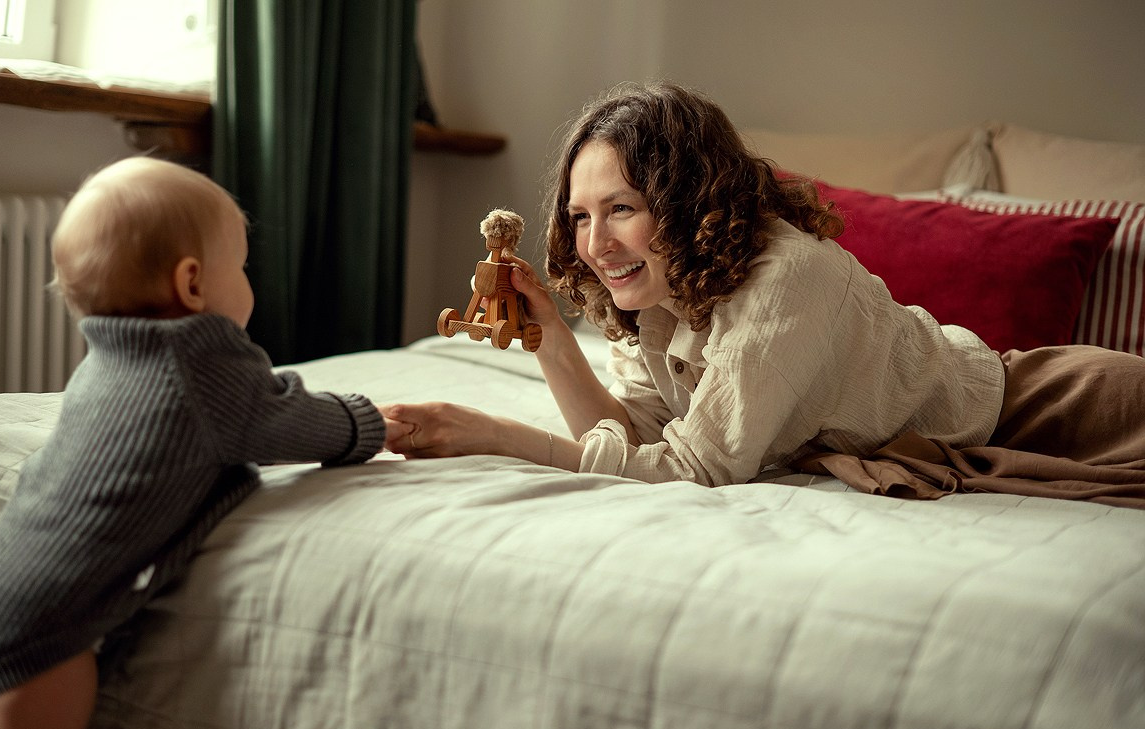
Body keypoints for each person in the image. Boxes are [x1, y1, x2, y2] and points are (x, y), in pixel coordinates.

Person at [382, 81, 1145, 507]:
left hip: (1043, 406)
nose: (594, 244)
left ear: (683, 199)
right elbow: (634, 433)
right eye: (580, 216)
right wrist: (551, 337)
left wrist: (491, 432)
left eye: (621, 209)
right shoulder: (656, 294)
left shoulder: (786, 278)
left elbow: (695, 468)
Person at [0, 156, 387, 729]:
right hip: (38, 632)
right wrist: (365, 422)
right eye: (239, 266)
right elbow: (284, 421)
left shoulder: (105, 364)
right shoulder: (200, 366)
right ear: (191, 284)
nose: (248, 282)